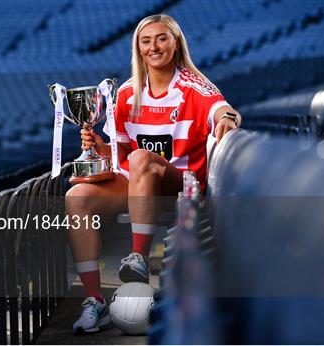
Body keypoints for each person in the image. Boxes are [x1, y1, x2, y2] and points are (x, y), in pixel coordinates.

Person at [66, 14, 242, 334]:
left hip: (181, 185)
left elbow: (222, 108)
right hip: (137, 179)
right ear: (138, 48)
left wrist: (228, 119)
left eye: (162, 38)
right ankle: (94, 301)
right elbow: (116, 156)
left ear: (175, 44)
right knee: (76, 198)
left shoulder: (194, 85)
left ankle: (139, 257)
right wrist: (96, 145)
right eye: (145, 41)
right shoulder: (126, 94)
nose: (153, 46)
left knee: (143, 159)